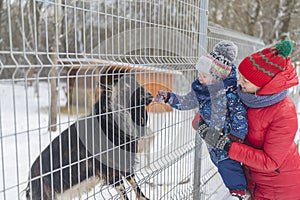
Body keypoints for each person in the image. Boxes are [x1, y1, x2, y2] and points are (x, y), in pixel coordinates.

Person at [199, 40, 300, 200]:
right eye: (240, 76)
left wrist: (228, 146)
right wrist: (200, 124)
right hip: (253, 182)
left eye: (245, 80)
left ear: (264, 84)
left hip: (279, 188)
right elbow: (215, 108)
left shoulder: (284, 113)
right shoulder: (244, 95)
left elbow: (270, 162)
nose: (239, 82)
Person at [156, 40, 248, 199]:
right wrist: (169, 98)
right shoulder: (201, 90)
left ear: (217, 77)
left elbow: (240, 117)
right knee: (218, 164)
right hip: (211, 139)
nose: (200, 78)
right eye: (199, 74)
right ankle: (234, 189)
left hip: (227, 141)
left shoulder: (230, 94)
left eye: (204, 75)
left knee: (229, 167)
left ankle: (238, 193)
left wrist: (235, 138)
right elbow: (186, 102)